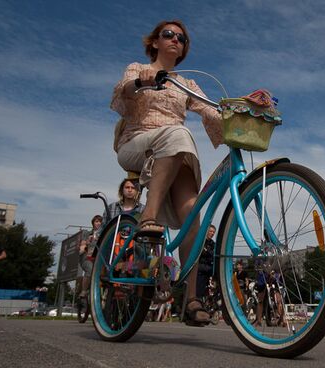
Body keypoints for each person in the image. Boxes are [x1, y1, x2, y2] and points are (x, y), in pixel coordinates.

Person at [111, 19, 225, 326]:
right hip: (136, 142)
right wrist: (142, 81)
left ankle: (191, 299)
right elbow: (123, 94)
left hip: (174, 150)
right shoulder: (138, 68)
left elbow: (209, 109)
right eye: (168, 34)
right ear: (155, 42)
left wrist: (243, 112)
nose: (176, 39)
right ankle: (149, 215)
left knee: (193, 214)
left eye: (182, 38)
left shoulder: (186, 84)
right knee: (178, 133)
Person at [78, 215, 103, 298]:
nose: (98, 223)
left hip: (99, 259)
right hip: (87, 258)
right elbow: (82, 248)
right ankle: (84, 291)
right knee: (90, 269)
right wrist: (87, 243)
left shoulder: (104, 234)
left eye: (100, 221)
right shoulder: (87, 233)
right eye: (96, 221)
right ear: (93, 223)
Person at [196, 225, 216, 300]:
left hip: (209, 268)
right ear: (207, 231)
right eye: (211, 231)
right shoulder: (201, 241)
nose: (212, 233)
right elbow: (203, 253)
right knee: (199, 290)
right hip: (201, 269)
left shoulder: (213, 244)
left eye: (213, 232)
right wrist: (208, 253)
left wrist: (207, 251)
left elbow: (213, 254)